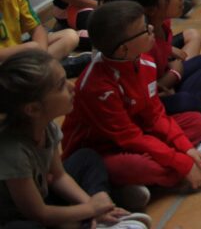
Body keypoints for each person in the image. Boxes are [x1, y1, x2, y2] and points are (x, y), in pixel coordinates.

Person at [61, 2, 201, 198]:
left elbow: (155, 115)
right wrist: (181, 162)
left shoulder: (144, 62)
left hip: (138, 134)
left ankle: (181, 165)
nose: (151, 29)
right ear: (123, 49)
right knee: (137, 166)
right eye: (144, 30)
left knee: (195, 122)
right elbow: (129, 137)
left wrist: (186, 148)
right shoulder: (98, 87)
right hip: (101, 151)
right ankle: (188, 166)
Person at [0, 50, 150, 229]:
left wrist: (93, 207)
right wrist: (89, 209)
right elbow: (39, 213)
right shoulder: (13, 151)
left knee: (87, 158)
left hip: (44, 197)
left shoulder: (46, 126)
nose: (72, 86)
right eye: (61, 86)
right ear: (33, 109)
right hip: (22, 216)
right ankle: (91, 220)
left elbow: (59, 176)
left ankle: (103, 212)